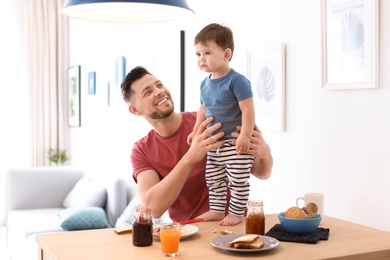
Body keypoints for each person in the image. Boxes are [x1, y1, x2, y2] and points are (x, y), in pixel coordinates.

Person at [120, 66, 272, 226]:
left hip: (233, 226)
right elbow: (153, 207)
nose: (159, 91)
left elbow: (261, 172)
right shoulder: (141, 151)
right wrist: (190, 158)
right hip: (188, 234)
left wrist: (265, 153)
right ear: (135, 110)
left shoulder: (211, 121)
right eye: (148, 92)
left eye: (159, 85)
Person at [187, 23, 255, 226]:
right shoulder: (204, 84)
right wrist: (195, 131)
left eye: (207, 53)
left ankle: (236, 213)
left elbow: (248, 110)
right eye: (198, 54)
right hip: (215, 145)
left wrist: (245, 136)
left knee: (238, 180)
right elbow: (202, 110)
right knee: (213, 179)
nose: (201, 59)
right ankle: (217, 210)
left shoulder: (237, 81)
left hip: (234, 144)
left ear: (226, 54)